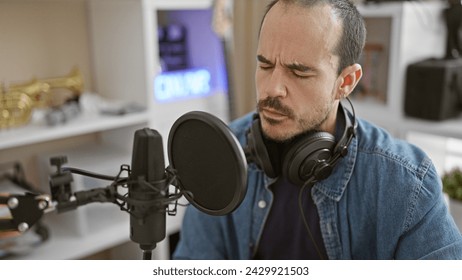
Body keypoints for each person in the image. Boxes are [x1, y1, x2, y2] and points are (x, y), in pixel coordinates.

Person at [173, 0, 462, 259]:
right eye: (265, 65)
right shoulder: (218, 155)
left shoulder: (405, 182)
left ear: (345, 82)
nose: (272, 88)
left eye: (299, 72)